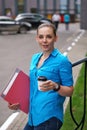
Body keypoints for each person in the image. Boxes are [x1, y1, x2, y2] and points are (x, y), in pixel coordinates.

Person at [8, 23, 74, 130]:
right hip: (33, 117)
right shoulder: (34, 58)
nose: (44, 40)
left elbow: (70, 91)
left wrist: (55, 86)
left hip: (50, 118)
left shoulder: (62, 61)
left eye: (49, 36)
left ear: (55, 38)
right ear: (37, 39)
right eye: (41, 37)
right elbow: (33, 87)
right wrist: (19, 103)